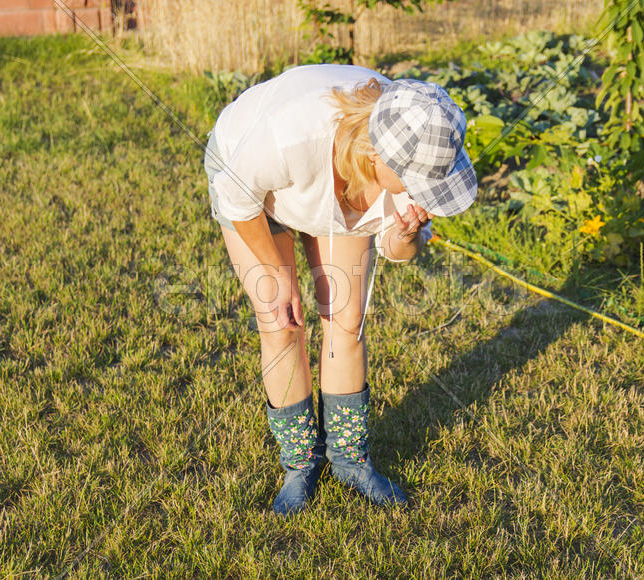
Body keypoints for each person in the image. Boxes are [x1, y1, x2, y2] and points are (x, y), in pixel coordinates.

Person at [204, 64, 477, 515]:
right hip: (254, 191)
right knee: (280, 320)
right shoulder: (288, 135)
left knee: (346, 320)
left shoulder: (419, 146)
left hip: (335, 191)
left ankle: (350, 460)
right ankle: (300, 463)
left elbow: (397, 250)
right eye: (419, 182)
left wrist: (406, 234)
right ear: (375, 155)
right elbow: (238, 198)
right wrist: (277, 273)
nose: (425, 193)